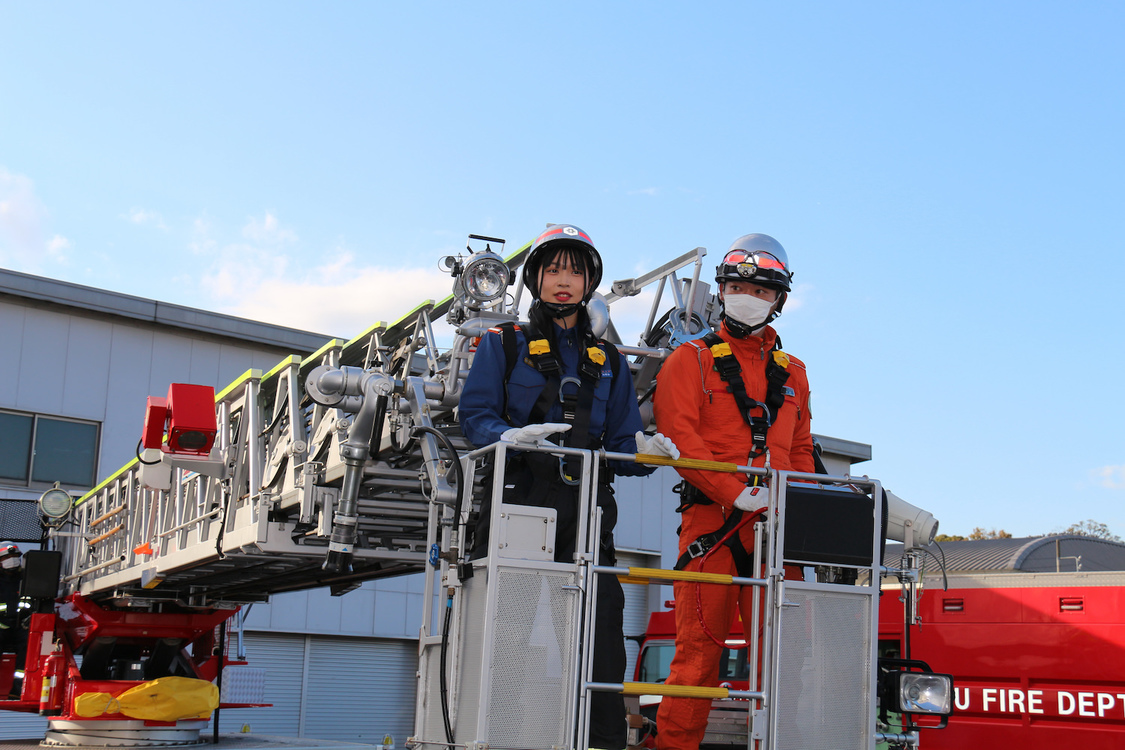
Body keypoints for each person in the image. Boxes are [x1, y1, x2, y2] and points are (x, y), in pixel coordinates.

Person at [459, 223, 678, 750]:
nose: (564, 281)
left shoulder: (610, 364)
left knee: (601, 644)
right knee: (507, 636)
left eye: (575, 272)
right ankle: (496, 739)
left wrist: (645, 453)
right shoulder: (503, 344)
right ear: (535, 277)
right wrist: (511, 436)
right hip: (518, 504)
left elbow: (622, 448)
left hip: (587, 514)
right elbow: (474, 416)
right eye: (553, 269)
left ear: (590, 282)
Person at [652, 233, 814, 750]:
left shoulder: (796, 375)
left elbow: (803, 448)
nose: (750, 296)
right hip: (712, 529)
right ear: (722, 290)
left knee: (785, 660)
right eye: (740, 285)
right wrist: (732, 491)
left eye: (762, 289)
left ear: (780, 300)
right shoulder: (689, 360)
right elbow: (680, 435)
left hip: (776, 532)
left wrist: (802, 509)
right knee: (698, 657)